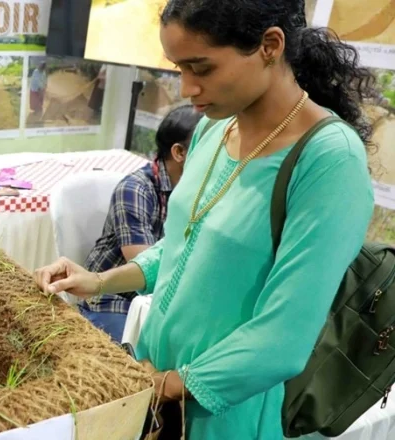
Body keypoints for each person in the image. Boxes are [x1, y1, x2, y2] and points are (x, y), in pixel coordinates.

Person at [34, 1, 376, 438]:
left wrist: (170, 386)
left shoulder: (329, 162)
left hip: (229, 412)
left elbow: (283, 338)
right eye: (179, 67)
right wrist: (99, 282)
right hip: (158, 386)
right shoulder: (216, 130)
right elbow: (183, 246)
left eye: (201, 68)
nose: (186, 88)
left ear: (270, 46)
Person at [80, 105, 202, 343]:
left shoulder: (200, 191)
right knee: (131, 366)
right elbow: (144, 263)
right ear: (179, 153)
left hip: (162, 298)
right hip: (115, 297)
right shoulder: (136, 188)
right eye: (210, 147)